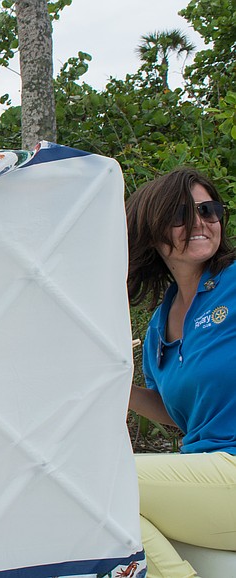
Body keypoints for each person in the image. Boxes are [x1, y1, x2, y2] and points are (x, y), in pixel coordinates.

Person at [126, 167, 236, 578]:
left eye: (208, 210)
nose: (199, 223)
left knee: (99, 477)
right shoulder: (158, 325)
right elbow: (181, 415)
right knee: (87, 490)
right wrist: (112, 385)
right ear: (152, 230)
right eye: (180, 214)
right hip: (207, 472)